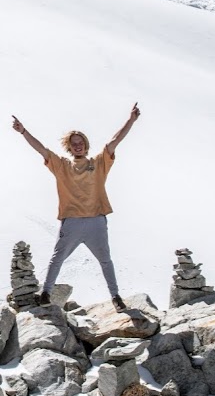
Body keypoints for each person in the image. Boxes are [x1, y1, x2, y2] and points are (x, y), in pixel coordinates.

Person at [11, 103, 141, 313]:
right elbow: (41, 149)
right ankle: (45, 294)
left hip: (96, 221)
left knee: (105, 260)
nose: (78, 146)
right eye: (74, 144)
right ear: (69, 147)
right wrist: (23, 131)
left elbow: (114, 141)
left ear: (86, 145)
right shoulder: (62, 165)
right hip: (71, 221)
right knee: (57, 258)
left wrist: (131, 120)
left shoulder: (99, 163)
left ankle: (116, 297)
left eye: (81, 143)